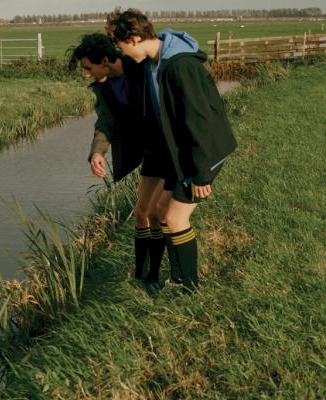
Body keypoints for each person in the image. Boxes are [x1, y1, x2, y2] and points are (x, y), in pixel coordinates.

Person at [108, 9, 238, 292]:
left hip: (206, 150)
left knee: (176, 218)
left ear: (134, 38)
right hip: (185, 150)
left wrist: (200, 174)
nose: (124, 54)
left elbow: (199, 121)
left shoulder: (179, 67)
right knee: (160, 211)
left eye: (123, 47)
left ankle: (189, 289)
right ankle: (178, 279)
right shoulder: (155, 64)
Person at [68, 33, 171, 286]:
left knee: (158, 215)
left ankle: (155, 276)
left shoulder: (141, 68)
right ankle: (140, 276)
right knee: (140, 214)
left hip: (168, 146)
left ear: (105, 60)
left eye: (88, 68)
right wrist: (97, 153)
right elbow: (106, 122)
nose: (86, 75)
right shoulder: (103, 87)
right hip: (148, 151)